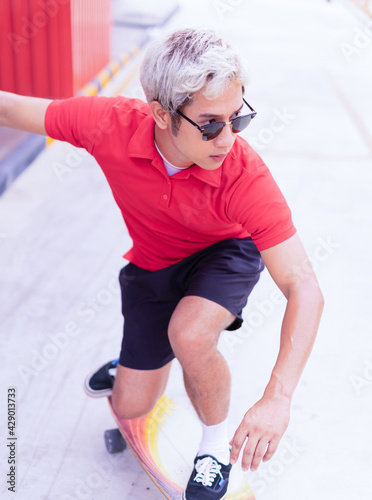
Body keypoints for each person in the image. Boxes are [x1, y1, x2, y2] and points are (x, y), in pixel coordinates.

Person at [0, 28, 323, 500]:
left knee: (189, 333)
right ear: (161, 114)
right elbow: (9, 108)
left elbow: (303, 284)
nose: (228, 138)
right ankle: (129, 367)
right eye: (211, 123)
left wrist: (278, 396)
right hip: (153, 264)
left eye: (238, 119)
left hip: (225, 253)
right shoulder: (107, 123)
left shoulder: (244, 176)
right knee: (132, 404)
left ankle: (214, 449)